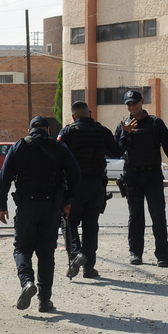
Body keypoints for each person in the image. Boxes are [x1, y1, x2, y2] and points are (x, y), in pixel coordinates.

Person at [0, 116, 81, 313]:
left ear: (29, 130)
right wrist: (67, 201)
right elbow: (76, 175)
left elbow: (3, 179)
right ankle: (44, 300)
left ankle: (27, 283)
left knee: (22, 249)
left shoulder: (19, 146)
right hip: (52, 208)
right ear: (48, 130)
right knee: (46, 253)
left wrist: (2, 205)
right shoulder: (59, 148)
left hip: (27, 207)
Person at [114, 90, 168, 267]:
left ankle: (162, 256)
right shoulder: (123, 124)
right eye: (128, 104)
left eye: (134, 103)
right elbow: (116, 150)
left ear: (142, 102)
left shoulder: (155, 123)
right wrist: (125, 133)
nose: (132, 106)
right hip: (133, 176)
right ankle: (135, 253)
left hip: (152, 176)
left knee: (158, 215)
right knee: (135, 216)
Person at [57, 101, 123, 278]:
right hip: (96, 187)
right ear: (90, 113)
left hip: (74, 187)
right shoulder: (102, 131)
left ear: (73, 116)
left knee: (69, 223)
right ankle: (88, 269)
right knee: (91, 226)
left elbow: (57, 158)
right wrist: (125, 134)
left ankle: (76, 254)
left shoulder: (67, 132)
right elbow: (117, 151)